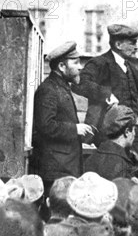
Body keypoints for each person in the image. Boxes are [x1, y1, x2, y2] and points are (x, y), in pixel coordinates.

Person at [30, 42, 94, 203]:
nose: (80, 67)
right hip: (56, 170)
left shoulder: (61, 87)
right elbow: (45, 126)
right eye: (75, 62)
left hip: (64, 167)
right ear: (61, 66)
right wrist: (74, 129)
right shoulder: (49, 89)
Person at [74, 24, 138, 155]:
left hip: (131, 133)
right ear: (118, 45)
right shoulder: (99, 63)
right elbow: (79, 83)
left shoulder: (131, 68)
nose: (136, 47)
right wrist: (106, 94)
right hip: (106, 134)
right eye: (132, 43)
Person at [84, 105, 138, 180]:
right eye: (134, 130)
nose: (134, 134)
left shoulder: (90, 158)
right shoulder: (122, 165)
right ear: (127, 132)